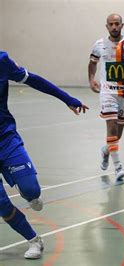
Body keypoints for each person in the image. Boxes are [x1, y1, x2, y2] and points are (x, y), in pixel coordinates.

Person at [0, 51, 88, 259]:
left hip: (6, 139)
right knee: (1, 204)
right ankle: (34, 240)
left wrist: (66, 98)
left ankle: (28, 194)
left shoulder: (2, 61)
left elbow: (34, 80)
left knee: (32, 190)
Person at [88, 14, 124, 181]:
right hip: (107, 92)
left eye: (117, 24)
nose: (114, 27)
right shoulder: (99, 45)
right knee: (112, 126)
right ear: (106, 26)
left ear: (122, 25)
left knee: (117, 134)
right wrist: (91, 79)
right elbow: (92, 62)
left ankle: (106, 150)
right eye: (111, 24)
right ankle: (118, 167)